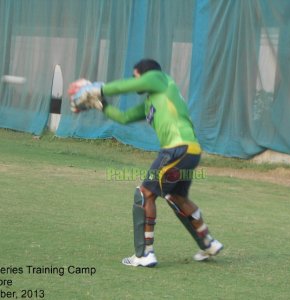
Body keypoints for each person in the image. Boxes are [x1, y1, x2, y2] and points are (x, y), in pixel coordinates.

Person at [69, 58, 223, 267]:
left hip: (176, 149)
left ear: (143, 74)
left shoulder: (161, 79)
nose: (135, 80)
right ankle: (208, 243)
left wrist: (97, 88)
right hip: (191, 150)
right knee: (176, 196)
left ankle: (144, 254)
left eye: (136, 75)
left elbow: (128, 86)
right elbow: (123, 117)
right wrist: (100, 104)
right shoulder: (153, 100)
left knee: (143, 194)